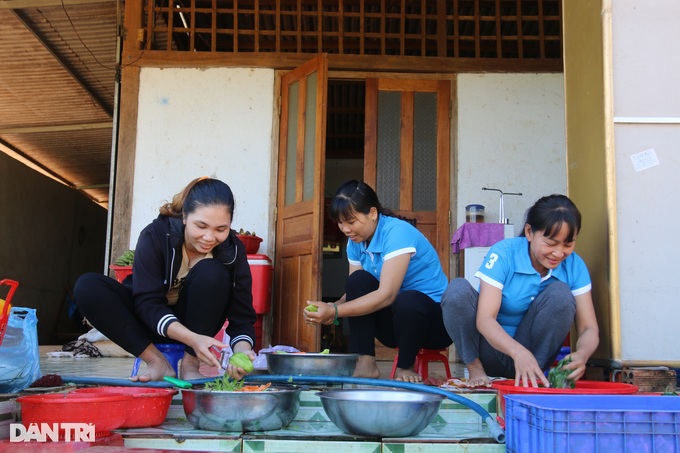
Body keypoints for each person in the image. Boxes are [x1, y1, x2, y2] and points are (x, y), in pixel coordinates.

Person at [74, 177, 257, 382]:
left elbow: (242, 317)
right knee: (88, 287)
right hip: (149, 321)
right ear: (185, 216)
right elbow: (147, 303)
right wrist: (192, 339)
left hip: (195, 325)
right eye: (201, 226)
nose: (209, 237)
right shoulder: (156, 235)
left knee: (212, 272)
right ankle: (156, 361)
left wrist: (243, 352)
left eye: (220, 229)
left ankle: (190, 364)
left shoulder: (233, 251)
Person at [441, 194, 599, 388]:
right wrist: (518, 352)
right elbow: (485, 320)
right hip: (491, 350)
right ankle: (475, 367)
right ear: (529, 232)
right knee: (457, 291)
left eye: (568, 244)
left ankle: (533, 375)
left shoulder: (575, 266)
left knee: (560, 294)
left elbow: (588, 328)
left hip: (534, 356)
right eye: (550, 243)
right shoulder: (505, 253)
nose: (559, 253)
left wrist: (582, 355)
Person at [303, 180, 452, 383]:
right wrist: (332, 307)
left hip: (435, 324)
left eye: (351, 221)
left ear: (372, 213)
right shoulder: (355, 241)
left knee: (408, 299)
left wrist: (336, 312)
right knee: (358, 281)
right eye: (340, 222)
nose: (345, 229)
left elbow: (387, 295)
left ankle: (405, 367)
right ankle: (365, 363)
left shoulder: (397, 233)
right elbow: (357, 290)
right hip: (398, 325)